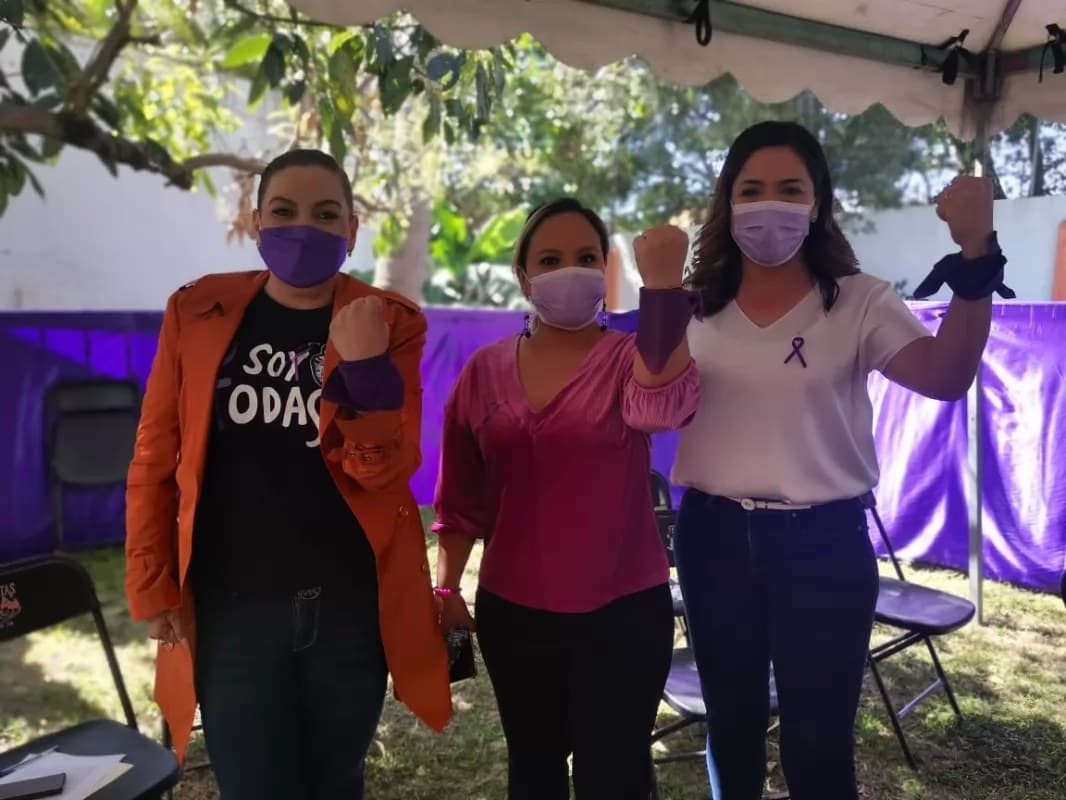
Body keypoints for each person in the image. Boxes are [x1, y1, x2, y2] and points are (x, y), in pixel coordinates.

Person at [670, 120, 1012, 800]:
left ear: (818, 201)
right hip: (713, 539)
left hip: (822, 542)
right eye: (752, 189)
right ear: (727, 202)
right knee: (731, 730)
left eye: (790, 188)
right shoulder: (692, 306)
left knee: (819, 743)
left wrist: (975, 255)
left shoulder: (859, 300)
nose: (770, 204)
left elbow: (946, 376)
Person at [124, 149, 451, 800]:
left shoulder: (391, 322)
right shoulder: (197, 310)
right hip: (232, 608)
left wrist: (366, 371)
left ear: (352, 231)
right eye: (285, 211)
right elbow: (155, 456)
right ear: (256, 221)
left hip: (349, 609)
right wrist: (151, 579)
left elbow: (384, 471)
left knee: (335, 781)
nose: (305, 226)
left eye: (326, 214)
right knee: (252, 785)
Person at [432, 198, 701, 799]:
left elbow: (664, 405)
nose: (570, 270)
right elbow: (461, 501)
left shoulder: (634, 358)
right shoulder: (483, 371)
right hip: (515, 613)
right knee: (534, 770)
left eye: (586, 257)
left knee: (616, 775)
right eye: (550, 258)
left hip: (624, 612)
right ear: (523, 276)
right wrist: (446, 590)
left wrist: (662, 286)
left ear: (605, 271)